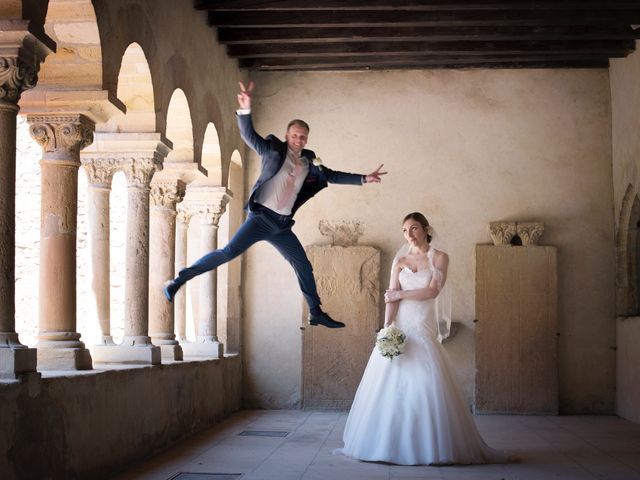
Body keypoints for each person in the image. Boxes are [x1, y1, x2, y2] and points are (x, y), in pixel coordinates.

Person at [163, 81, 387, 329]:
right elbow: (249, 136)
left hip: (281, 226)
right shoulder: (272, 149)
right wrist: (245, 110)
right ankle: (178, 281)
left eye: (303, 137)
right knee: (228, 253)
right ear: (286, 136)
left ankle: (315, 311)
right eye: (295, 136)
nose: (299, 140)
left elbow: (331, 176)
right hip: (260, 220)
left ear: (306, 139)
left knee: (302, 264)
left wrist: (364, 178)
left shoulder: (309, 162)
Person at [338, 212, 507, 464]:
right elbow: (390, 296)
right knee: (391, 379)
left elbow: (432, 291)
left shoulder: (439, 257)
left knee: (427, 380)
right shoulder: (400, 261)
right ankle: (386, 444)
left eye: (414, 228)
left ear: (426, 229)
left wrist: (399, 297)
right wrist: (386, 328)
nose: (409, 234)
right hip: (401, 324)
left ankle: (431, 445)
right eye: (405, 231)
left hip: (422, 324)